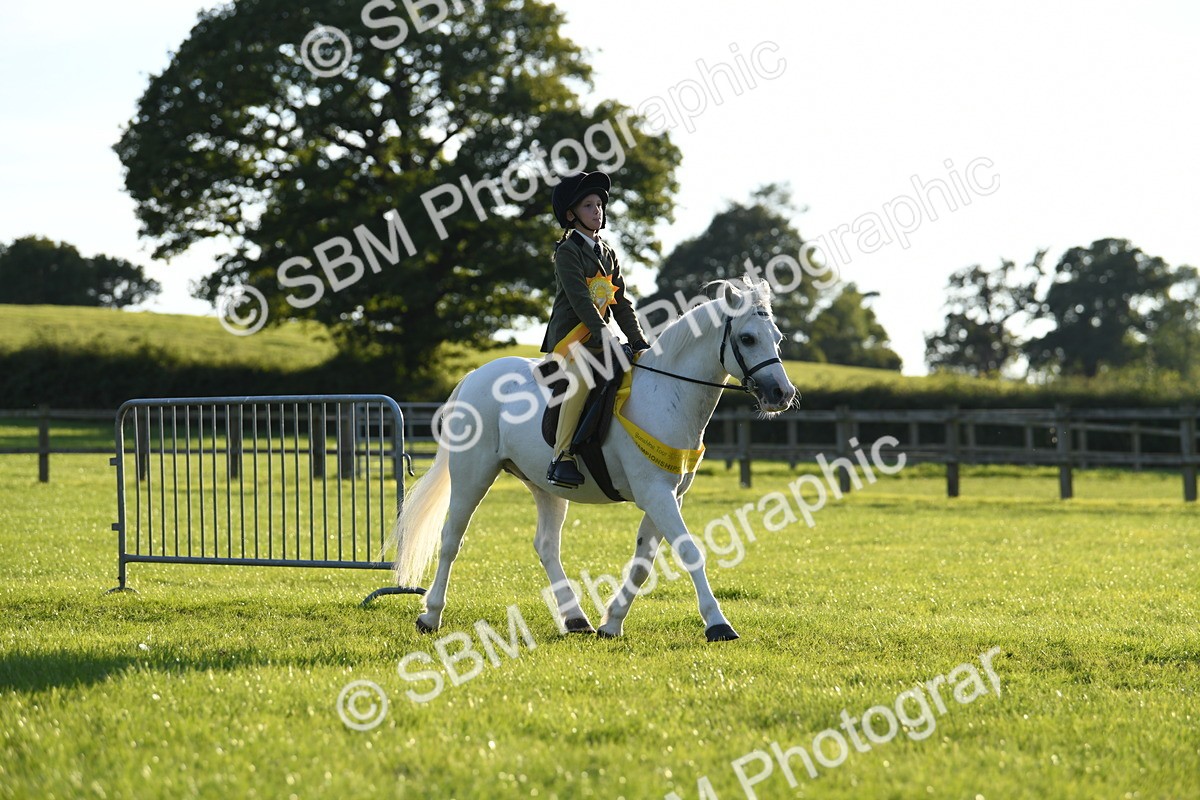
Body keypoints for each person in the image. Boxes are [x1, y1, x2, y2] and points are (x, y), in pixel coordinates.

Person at [541, 171, 650, 488]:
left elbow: (621, 303)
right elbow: (581, 304)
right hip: (571, 341)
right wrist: (606, 337)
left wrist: (638, 340)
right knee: (581, 379)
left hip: (600, 339)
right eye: (588, 205)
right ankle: (561, 457)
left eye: (600, 204)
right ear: (571, 214)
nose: (597, 210)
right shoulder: (567, 252)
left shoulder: (608, 253)